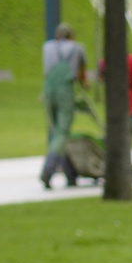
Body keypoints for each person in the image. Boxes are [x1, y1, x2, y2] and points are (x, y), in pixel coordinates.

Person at [38, 24, 88, 190]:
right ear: (71, 36)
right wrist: (85, 85)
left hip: (48, 91)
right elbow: (82, 74)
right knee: (62, 132)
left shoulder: (47, 47)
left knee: (57, 132)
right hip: (65, 91)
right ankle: (48, 170)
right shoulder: (78, 48)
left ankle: (70, 174)